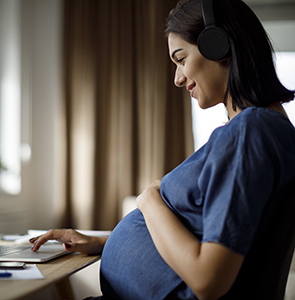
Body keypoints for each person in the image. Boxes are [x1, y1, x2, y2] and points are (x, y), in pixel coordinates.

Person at [30, 0, 295, 299]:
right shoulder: (265, 132)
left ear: (217, 45)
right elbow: (207, 235)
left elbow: (208, 279)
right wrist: (103, 242)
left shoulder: (250, 132)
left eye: (181, 59)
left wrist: (150, 200)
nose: (178, 78)